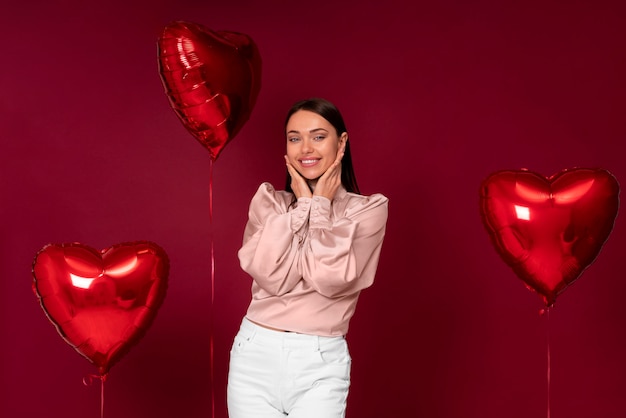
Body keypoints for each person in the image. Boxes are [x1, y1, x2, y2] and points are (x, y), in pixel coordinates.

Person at [227, 97, 389, 418]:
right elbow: (272, 278)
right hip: (255, 355)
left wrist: (320, 207)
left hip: (321, 361)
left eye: (318, 136)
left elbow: (328, 279)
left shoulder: (368, 210)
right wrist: (303, 206)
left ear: (341, 141)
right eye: (294, 138)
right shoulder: (270, 203)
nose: (305, 149)